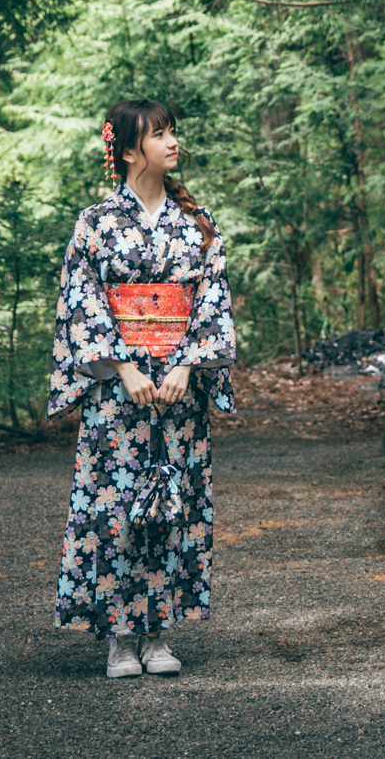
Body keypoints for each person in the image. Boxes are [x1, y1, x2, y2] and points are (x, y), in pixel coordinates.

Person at [49, 100, 235, 678]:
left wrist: (186, 367)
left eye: (173, 131)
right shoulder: (95, 223)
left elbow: (212, 300)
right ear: (130, 150)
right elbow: (81, 303)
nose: (173, 141)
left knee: (171, 509)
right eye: (160, 134)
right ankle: (119, 640)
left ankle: (158, 635)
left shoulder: (196, 221)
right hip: (117, 397)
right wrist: (125, 369)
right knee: (115, 509)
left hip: (179, 395)